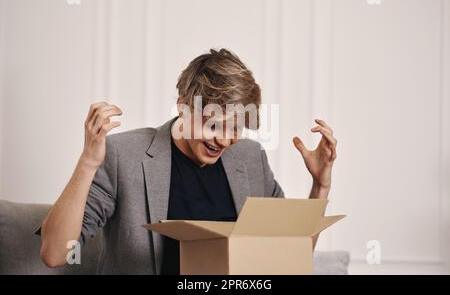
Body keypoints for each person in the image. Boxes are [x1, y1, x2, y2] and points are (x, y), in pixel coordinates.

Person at [38, 48, 337, 274]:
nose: (223, 140)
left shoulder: (250, 159)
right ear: (183, 108)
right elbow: (54, 253)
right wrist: (88, 163)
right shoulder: (122, 156)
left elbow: (289, 256)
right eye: (213, 124)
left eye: (234, 128)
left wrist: (320, 185)